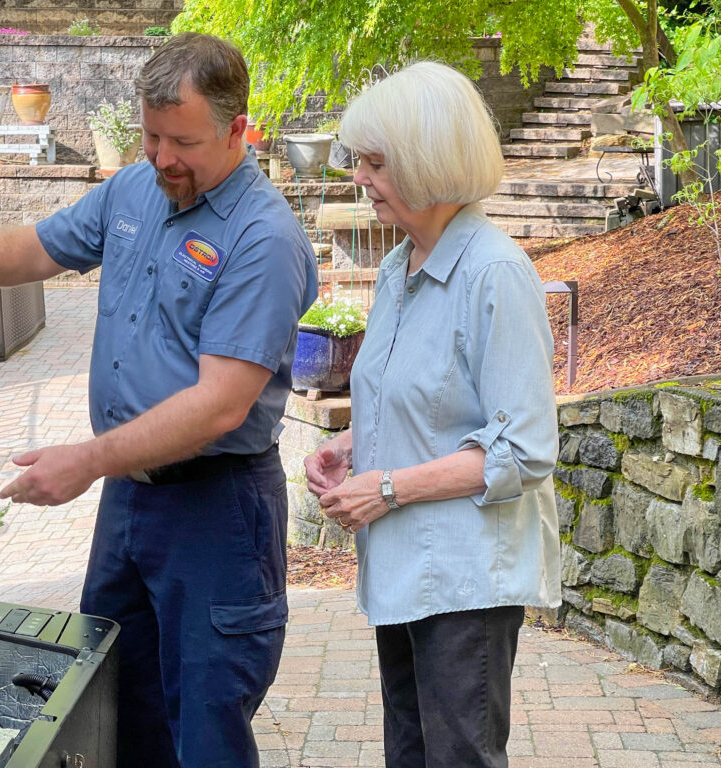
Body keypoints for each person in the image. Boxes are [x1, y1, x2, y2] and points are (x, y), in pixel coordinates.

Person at [0, 33, 317, 768]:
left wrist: (85, 459)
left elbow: (218, 407)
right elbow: (39, 247)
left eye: (183, 141)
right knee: (114, 712)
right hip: (130, 507)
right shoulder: (134, 188)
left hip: (218, 513)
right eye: (150, 136)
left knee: (205, 730)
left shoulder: (262, 239)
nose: (163, 157)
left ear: (238, 129)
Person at [303, 61, 561, 768]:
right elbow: (421, 398)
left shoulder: (494, 273)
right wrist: (353, 446)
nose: (359, 178)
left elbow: (525, 447)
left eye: (375, 163)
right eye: (359, 161)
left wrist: (388, 488)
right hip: (404, 571)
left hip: (463, 579)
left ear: (428, 160)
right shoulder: (399, 269)